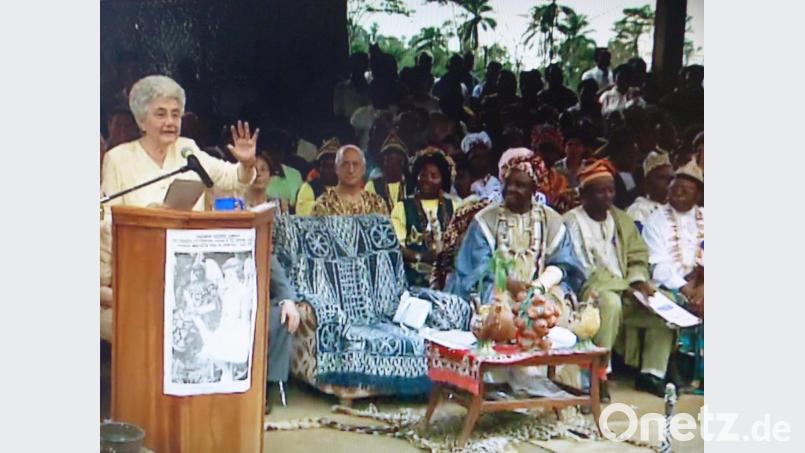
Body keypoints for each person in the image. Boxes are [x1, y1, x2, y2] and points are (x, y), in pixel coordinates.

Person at [101, 75, 259, 340]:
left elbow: (232, 179)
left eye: (175, 114)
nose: (170, 121)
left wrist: (246, 164)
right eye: (160, 114)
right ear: (141, 120)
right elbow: (108, 223)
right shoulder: (118, 159)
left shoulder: (187, 149)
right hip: (140, 270)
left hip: (189, 270)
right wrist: (150, 214)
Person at [562, 159, 653, 401]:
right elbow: (580, 270)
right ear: (584, 196)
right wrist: (626, 287)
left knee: (661, 301)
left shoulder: (621, 219)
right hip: (590, 291)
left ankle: (654, 372)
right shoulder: (571, 222)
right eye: (600, 191)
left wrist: (638, 281)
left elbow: (637, 256)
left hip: (626, 288)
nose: (608, 196)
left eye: (611, 190)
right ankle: (599, 374)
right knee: (610, 303)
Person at [446, 148, 584, 306]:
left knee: (553, 306)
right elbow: (477, 268)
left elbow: (564, 264)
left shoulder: (551, 221)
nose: (511, 189)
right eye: (508, 183)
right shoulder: (485, 220)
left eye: (519, 185)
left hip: (540, 291)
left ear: (533, 189)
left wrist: (538, 287)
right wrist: (507, 283)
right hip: (495, 289)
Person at [640, 160, 704, 395]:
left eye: (685, 190)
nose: (677, 194)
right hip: (670, 285)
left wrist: (702, 287)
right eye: (674, 188)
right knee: (668, 305)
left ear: (698, 195)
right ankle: (672, 367)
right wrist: (686, 288)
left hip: (702, 284)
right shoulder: (656, 220)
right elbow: (657, 264)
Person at [391, 148, 456, 286]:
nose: (428, 180)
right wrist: (421, 256)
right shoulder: (402, 207)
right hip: (413, 281)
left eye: (434, 175)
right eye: (424, 175)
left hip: (449, 280)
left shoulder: (454, 206)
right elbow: (396, 247)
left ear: (443, 180)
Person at [312, 145, 388, 216]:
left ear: (364, 169)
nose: (351, 170)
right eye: (345, 164)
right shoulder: (324, 204)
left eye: (355, 164)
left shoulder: (376, 203)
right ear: (336, 168)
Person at [626, 150, 674, 230]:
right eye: (663, 178)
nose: (669, 183)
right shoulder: (638, 209)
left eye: (672, 178)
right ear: (648, 183)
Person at [365, 131, 409, 213]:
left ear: (402, 162)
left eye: (390, 159)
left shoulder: (410, 186)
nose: (386, 164)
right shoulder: (372, 186)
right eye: (385, 160)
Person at [261, 128, 304, 211]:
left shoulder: (294, 175)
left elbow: (300, 206)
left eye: (279, 148)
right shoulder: (253, 174)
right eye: (271, 148)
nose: (274, 153)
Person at [295, 137, 340, 216]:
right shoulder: (308, 188)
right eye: (326, 165)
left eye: (333, 166)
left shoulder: (348, 189)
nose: (330, 170)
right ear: (318, 167)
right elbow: (304, 215)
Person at [333, 52, 371, 120]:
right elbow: (338, 113)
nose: (359, 68)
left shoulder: (370, 89)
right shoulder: (341, 88)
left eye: (362, 65)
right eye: (357, 65)